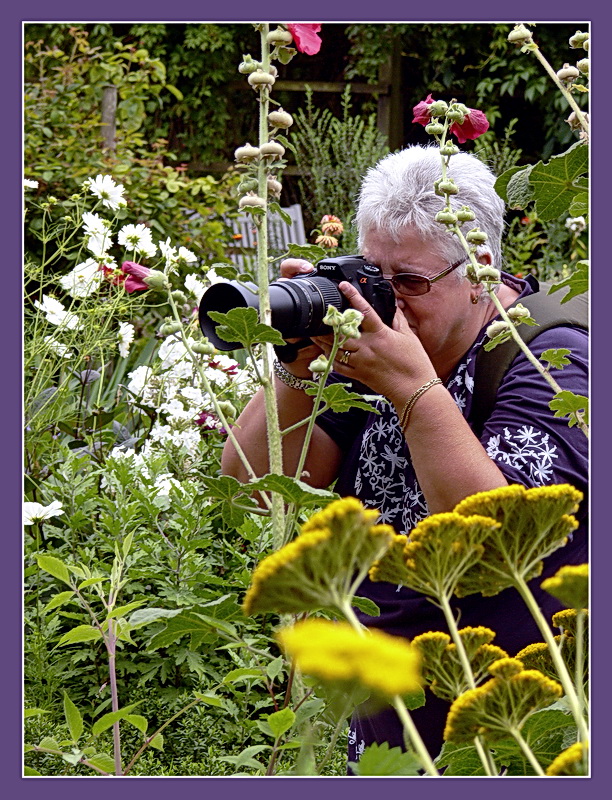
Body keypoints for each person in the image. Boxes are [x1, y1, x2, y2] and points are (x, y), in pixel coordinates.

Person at [221, 144, 588, 763]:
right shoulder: (370, 347)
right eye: (372, 275)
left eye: (410, 283)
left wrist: (413, 390)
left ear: (481, 270)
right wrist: (298, 360)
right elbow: (252, 487)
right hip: (380, 707)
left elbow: (497, 541)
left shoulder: (551, 357)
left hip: (511, 722)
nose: (386, 302)